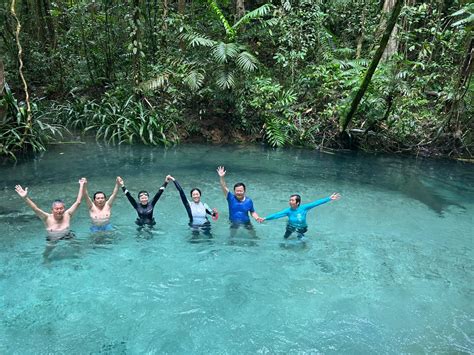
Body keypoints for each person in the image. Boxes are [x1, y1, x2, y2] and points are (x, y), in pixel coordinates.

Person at [14, 178, 86, 260]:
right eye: (57, 209)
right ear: (52, 210)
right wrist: (25, 198)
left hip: (67, 235)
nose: (59, 210)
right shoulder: (47, 218)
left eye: (61, 208)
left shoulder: (68, 214)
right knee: (47, 253)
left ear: (64, 208)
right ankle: (46, 261)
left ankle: (80, 258)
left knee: (77, 246)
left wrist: (82, 185)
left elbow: (78, 201)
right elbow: (35, 208)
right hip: (52, 238)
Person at [262, 193, 341, 241]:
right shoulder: (288, 211)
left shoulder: (304, 208)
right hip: (290, 227)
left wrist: (329, 198)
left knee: (302, 240)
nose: (290, 201)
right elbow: (276, 215)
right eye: (290, 200)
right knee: (285, 238)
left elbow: (316, 203)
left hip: (302, 228)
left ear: (298, 202)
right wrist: (265, 218)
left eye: (292, 200)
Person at [217, 166, 262, 238]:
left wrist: (257, 218)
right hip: (234, 222)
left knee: (254, 236)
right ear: (234, 191)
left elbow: (252, 212)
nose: (239, 192)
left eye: (240, 191)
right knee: (231, 237)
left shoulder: (249, 201)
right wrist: (221, 177)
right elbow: (223, 187)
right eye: (237, 191)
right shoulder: (231, 198)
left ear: (244, 191)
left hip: (246, 222)